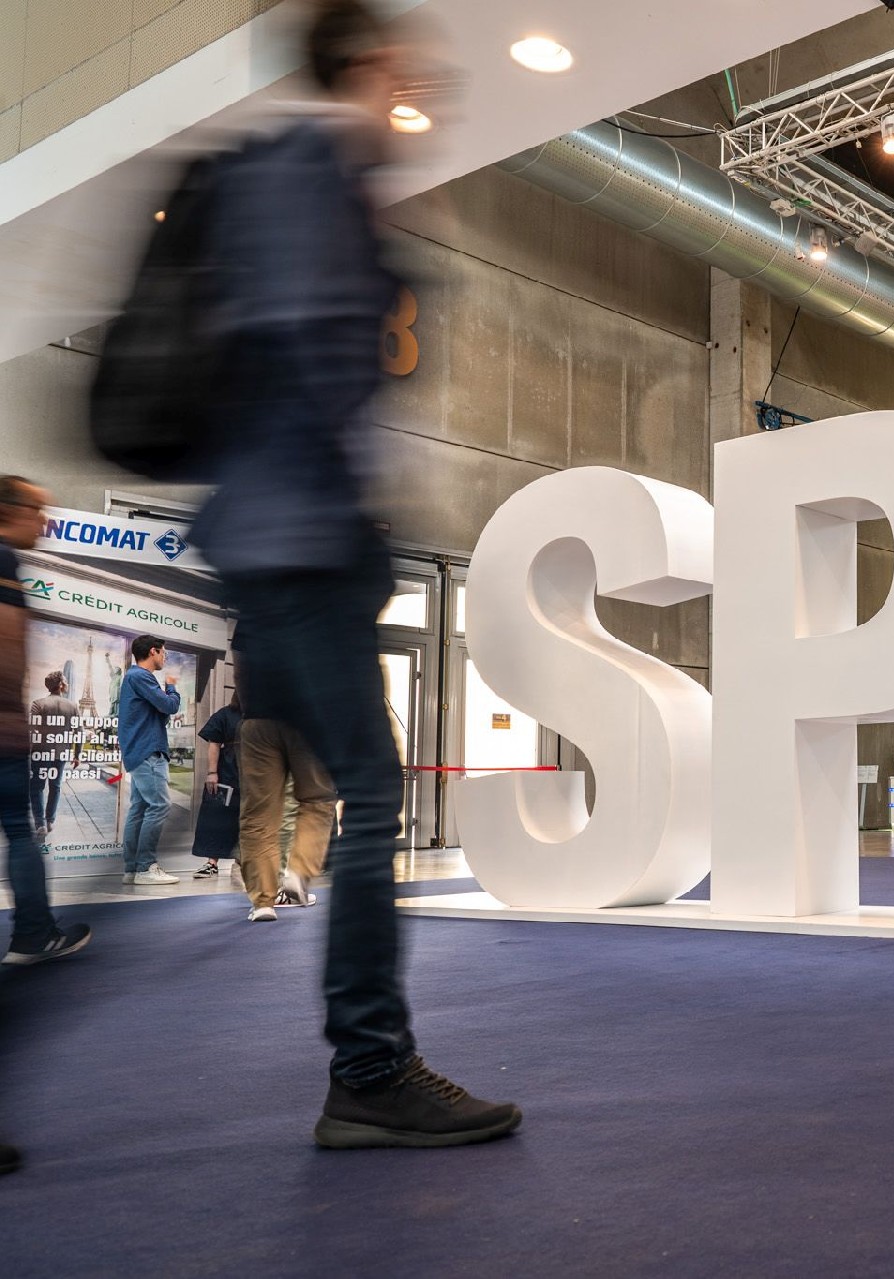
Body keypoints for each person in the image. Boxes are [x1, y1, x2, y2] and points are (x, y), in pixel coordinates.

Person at [190, 0, 518, 1147]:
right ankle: (370, 1066)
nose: (416, 88)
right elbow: (310, 374)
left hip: (275, 543)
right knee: (373, 787)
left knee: (347, 783)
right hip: (300, 545)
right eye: (404, 67)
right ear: (367, 64)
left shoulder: (290, 177)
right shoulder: (313, 178)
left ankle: (369, 1062)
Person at [0, 478, 92, 966]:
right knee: (21, 828)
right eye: (38, 511)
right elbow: (7, 642)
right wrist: (8, 712)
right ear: (8, 510)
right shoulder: (3, 559)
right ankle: (34, 934)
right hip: (6, 734)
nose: (45, 523)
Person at [237, 716, 337, 922]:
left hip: (259, 719)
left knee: (258, 815)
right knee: (317, 800)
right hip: (310, 718)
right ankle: (299, 873)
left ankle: (263, 902)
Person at [118, 634, 182, 884]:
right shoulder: (141, 676)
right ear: (153, 651)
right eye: (164, 652)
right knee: (160, 806)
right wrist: (171, 686)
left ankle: (132, 869)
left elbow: (159, 713)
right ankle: (146, 867)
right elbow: (170, 706)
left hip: (140, 751)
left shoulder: (133, 677)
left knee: (140, 808)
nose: (165, 657)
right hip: (148, 751)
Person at [191, 691, 244, 879]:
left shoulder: (261, 715)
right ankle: (212, 863)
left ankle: (241, 862)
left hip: (254, 775)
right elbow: (214, 743)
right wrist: (212, 772)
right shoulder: (225, 714)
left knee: (247, 819)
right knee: (217, 817)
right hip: (227, 773)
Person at [27, 671, 80, 841]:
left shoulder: (38, 704)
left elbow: (30, 730)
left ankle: (40, 824)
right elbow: (78, 732)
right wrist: (77, 755)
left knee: (37, 787)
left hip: (40, 752)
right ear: (61, 685)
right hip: (61, 753)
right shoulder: (72, 706)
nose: (67, 684)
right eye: (66, 681)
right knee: (55, 786)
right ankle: (50, 820)